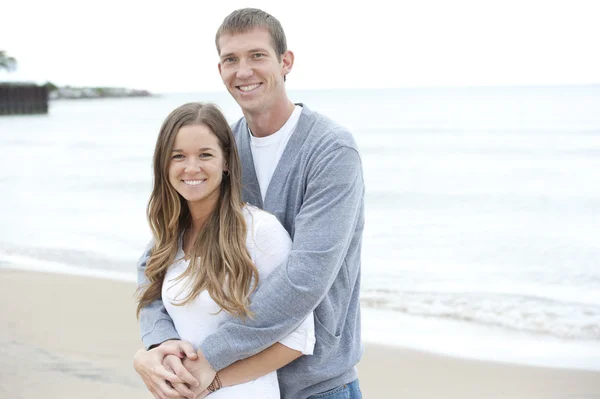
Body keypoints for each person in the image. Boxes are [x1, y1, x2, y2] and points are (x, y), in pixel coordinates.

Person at [135, 7, 365, 399]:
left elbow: (305, 277)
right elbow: (159, 257)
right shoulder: (224, 151)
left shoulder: (331, 150)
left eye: (257, 55)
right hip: (236, 382)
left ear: (285, 61)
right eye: (231, 59)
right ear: (220, 69)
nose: (244, 71)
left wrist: (211, 357)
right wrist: (156, 345)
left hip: (317, 383)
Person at [135, 102, 315, 399]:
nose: (191, 168)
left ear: (227, 161)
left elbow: (299, 338)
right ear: (164, 164)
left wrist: (215, 380)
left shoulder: (259, 231)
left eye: (205, 155)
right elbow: (162, 315)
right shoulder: (169, 238)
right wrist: (149, 354)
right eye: (178, 156)